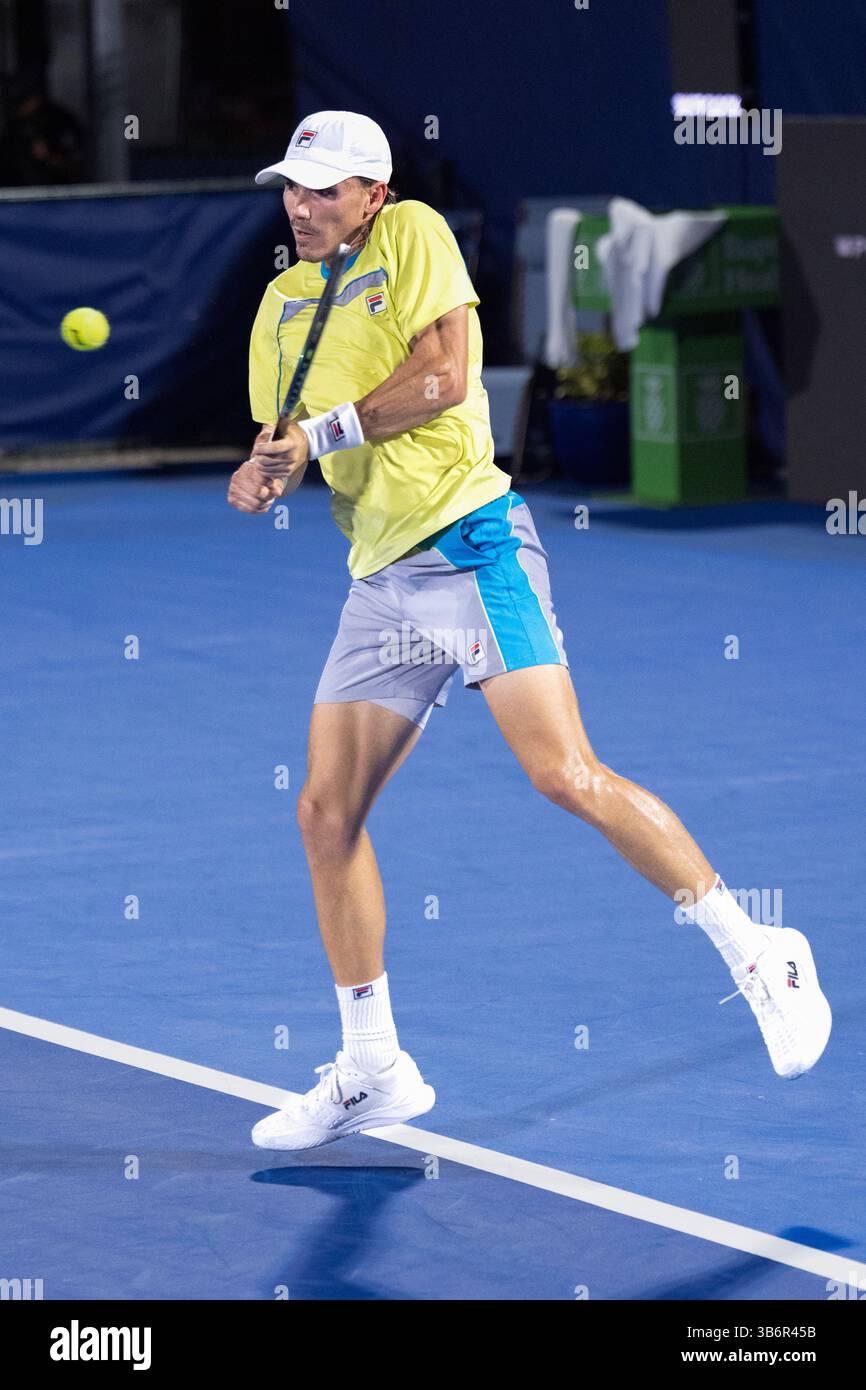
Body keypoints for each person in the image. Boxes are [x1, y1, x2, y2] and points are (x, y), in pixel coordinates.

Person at [228, 110, 831, 1152]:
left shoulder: (410, 233)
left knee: (563, 773)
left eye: (325, 188)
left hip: (471, 545)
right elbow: (284, 438)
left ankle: (757, 950)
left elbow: (443, 379)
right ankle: (372, 1065)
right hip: (379, 578)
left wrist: (317, 435)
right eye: (293, 185)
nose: (302, 203)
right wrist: (268, 467)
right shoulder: (280, 305)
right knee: (324, 812)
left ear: (372, 193)